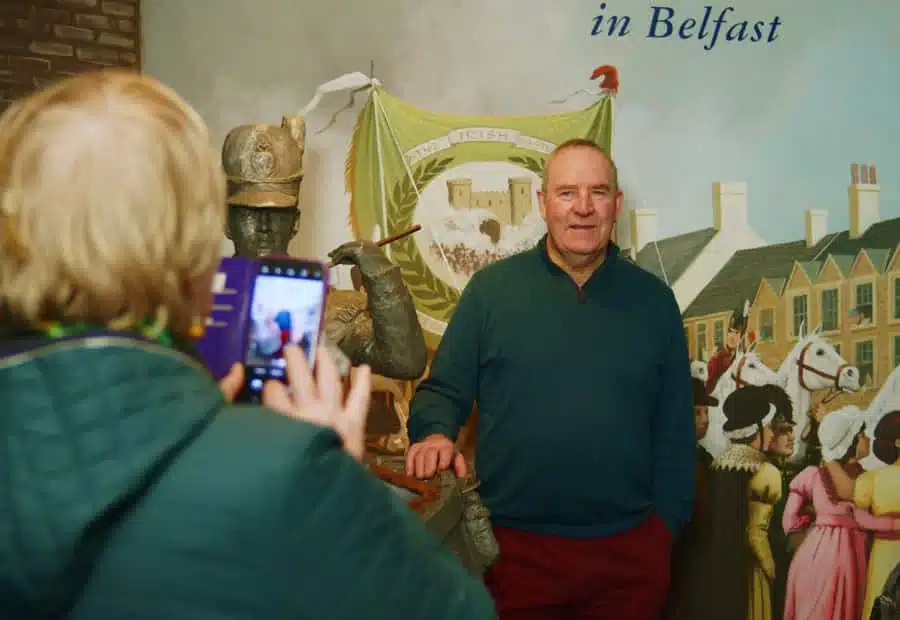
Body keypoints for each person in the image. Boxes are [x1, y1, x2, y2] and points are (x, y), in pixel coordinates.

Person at [0, 70, 496, 620]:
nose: (261, 230)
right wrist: (332, 494)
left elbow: (402, 358)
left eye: (274, 215)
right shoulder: (289, 475)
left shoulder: (327, 309)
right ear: (197, 243)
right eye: (246, 214)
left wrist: (378, 274)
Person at [405, 138, 695, 619]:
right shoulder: (492, 293)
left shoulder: (654, 303)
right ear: (542, 203)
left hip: (629, 562)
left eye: (598, 192)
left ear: (616, 205)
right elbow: (443, 390)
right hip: (513, 559)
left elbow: (675, 433)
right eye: (566, 193)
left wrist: (663, 534)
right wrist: (434, 432)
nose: (582, 208)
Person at [705, 309, 745, 393]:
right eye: (730, 332)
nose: (732, 336)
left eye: (736, 333)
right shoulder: (716, 360)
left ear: (741, 337)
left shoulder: (743, 358)